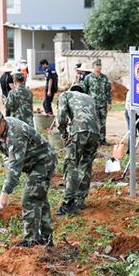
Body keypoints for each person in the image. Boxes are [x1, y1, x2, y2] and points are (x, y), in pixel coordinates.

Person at [0, 107, 57, 247]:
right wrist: (8, 178)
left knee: (29, 199)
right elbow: (8, 158)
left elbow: (15, 167)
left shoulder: (15, 134)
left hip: (43, 163)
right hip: (34, 164)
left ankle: (31, 241)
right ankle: (46, 239)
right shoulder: (2, 132)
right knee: (39, 198)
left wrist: (5, 192)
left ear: (1, 122)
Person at [56, 84, 100, 215]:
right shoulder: (90, 98)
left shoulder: (66, 94)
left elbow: (62, 115)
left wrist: (63, 133)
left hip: (79, 130)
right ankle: (80, 200)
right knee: (86, 164)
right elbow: (99, 118)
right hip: (95, 132)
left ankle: (68, 203)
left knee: (71, 164)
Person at [82, 60, 111, 145]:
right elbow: (85, 90)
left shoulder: (104, 78)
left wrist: (109, 102)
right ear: (93, 67)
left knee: (103, 122)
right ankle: (93, 140)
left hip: (102, 104)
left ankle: (102, 140)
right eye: (97, 65)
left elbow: (108, 91)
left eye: (100, 65)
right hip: (92, 104)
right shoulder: (88, 78)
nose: (99, 67)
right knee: (93, 122)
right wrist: (85, 102)